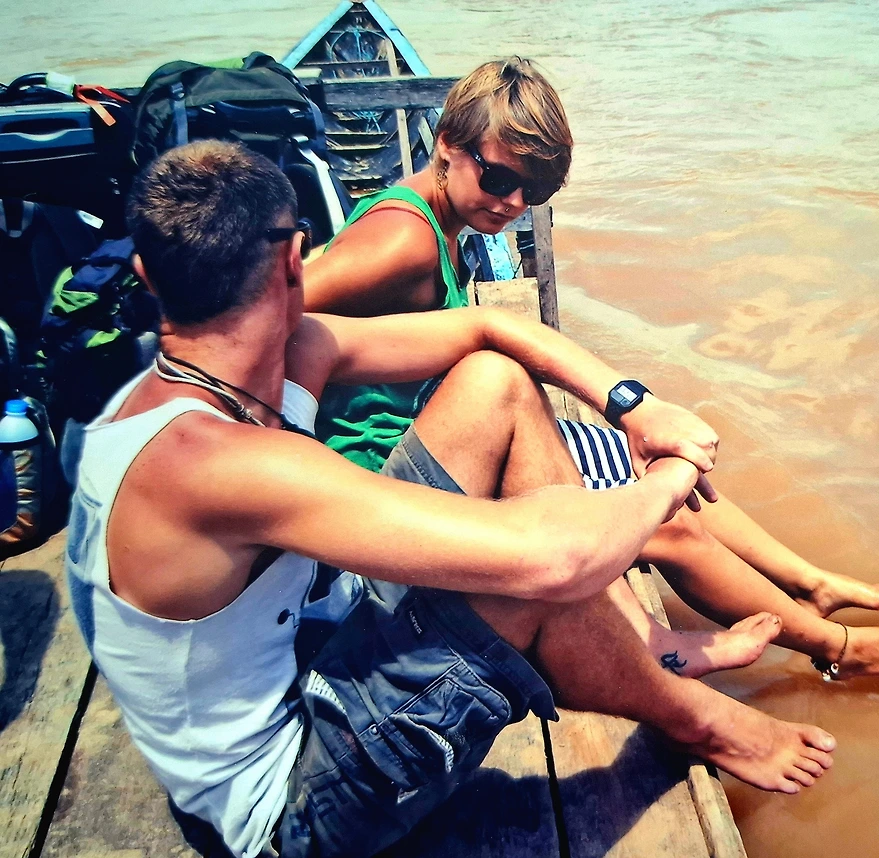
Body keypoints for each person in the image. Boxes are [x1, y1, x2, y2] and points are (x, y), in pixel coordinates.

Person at [65, 140, 839, 858]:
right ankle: (699, 718)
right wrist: (669, 477)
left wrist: (635, 407)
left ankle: (649, 654)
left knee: (494, 386)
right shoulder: (218, 463)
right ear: (295, 260)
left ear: (146, 274)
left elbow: (485, 332)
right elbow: (558, 561)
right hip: (288, 810)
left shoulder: (266, 359)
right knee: (528, 581)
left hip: (304, 639)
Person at [303, 57, 879, 680]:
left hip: (439, 432)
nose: (514, 203)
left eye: (535, 192)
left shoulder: (433, 217)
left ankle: (808, 583)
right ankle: (839, 649)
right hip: (390, 472)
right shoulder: (404, 239)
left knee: (653, 460)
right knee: (666, 522)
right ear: (446, 143)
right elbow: (267, 309)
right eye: (499, 179)